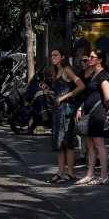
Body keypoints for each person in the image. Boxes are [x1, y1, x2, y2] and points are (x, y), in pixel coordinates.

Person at [73, 49, 109, 185]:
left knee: (98, 144)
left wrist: (106, 111)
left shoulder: (103, 75)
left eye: (92, 57)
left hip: (97, 113)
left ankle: (104, 175)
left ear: (100, 60)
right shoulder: (93, 74)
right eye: (90, 57)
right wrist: (81, 107)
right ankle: (89, 174)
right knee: (90, 145)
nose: (89, 59)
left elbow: (108, 97)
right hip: (90, 112)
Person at [45, 48, 84, 184]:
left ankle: (70, 173)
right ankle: (60, 172)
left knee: (67, 142)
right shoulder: (54, 71)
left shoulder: (67, 69)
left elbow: (80, 86)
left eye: (56, 55)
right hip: (57, 111)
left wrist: (63, 98)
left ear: (62, 56)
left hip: (65, 110)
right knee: (59, 142)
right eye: (51, 55)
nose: (53, 57)